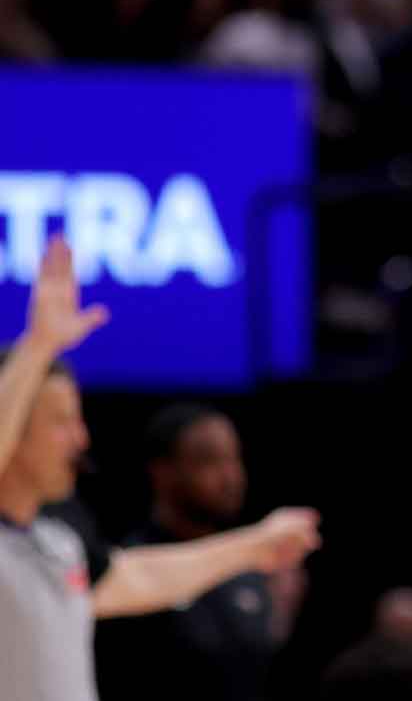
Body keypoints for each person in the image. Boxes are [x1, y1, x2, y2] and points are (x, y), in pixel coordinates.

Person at [0, 237, 322, 701]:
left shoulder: (61, 540)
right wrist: (37, 348)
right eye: (61, 422)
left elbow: (136, 578)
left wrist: (253, 546)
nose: (80, 439)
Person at [96, 404, 303, 701]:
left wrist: (280, 619)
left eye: (234, 459)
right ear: (163, 472)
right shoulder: (131, 568)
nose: (230, 477)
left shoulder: (250, 565)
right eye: (209, 461)